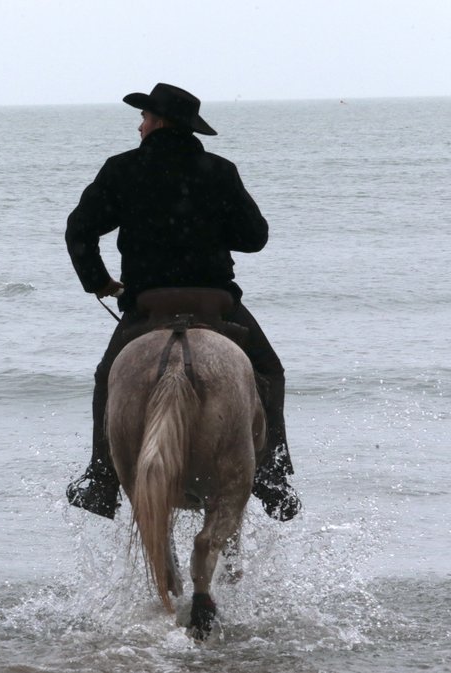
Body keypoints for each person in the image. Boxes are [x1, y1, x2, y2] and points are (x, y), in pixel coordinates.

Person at [63, 83, 301, 522]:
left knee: (105, 378)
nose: (140, 125)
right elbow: (255, 238)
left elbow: (79, 231)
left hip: (149, 303)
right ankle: (274, 478)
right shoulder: (220, 170)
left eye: (145, 118)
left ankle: (101, 479)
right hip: (215, 302)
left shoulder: (121, 170)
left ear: (158, 122)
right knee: (269, 371)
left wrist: (98, 283)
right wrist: (207, 223)